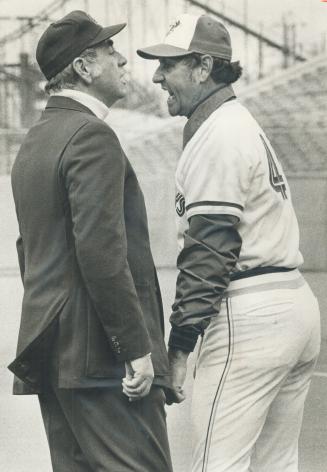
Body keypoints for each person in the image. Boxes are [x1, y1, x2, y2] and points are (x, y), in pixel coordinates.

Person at [137, 13, 321, 472]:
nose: (158, 76)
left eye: (169, 65)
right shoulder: (235, 122)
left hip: (251, 313)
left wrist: (180, 345)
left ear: (203, 67)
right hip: (291, 306)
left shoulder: (219, 134)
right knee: (276, 464)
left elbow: (210, 251)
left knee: (216, 466)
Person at [9, 10, 173, 472]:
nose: (122, 60)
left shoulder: (36, 141)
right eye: (109, 51)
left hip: (57, 355)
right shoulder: (91, 136)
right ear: (83, 67)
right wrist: (134, 348)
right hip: (102, 361)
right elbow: (101, 251)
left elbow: (30, 252)